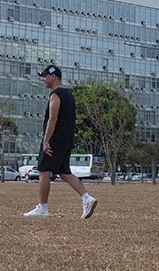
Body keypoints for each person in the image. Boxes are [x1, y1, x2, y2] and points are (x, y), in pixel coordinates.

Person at [23, 64, 98, 220]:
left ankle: (42, 208)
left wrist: (46, 141)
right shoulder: (69, 94)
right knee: (64, 172)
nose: (43, 79)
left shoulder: (56, 94)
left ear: (53, 76)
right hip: (67, 139)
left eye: (45, 76)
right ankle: (87, 198)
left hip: (54, 141)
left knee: (43, 170)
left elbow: (53, 118)